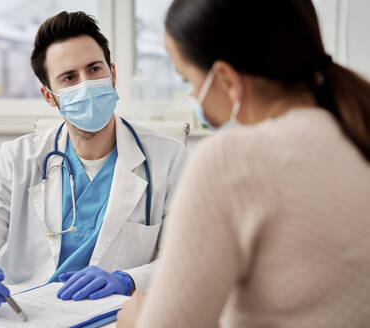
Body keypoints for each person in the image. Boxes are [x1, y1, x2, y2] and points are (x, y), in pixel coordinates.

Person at [117, 0, 370, 327]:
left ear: (225, 78)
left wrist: (137, 319)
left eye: (187, 80)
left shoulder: (230, 160)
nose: (194, 97)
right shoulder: (355, 132)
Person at [0, 11, 187, 315]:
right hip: (27, 316)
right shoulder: (18, 158)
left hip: (116, 318)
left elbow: (186, 258)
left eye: (94, 69)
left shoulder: (168, 159)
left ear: (113, 75)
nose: (87, 84)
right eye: (69, 78)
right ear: (49, 97)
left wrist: (128, 279)